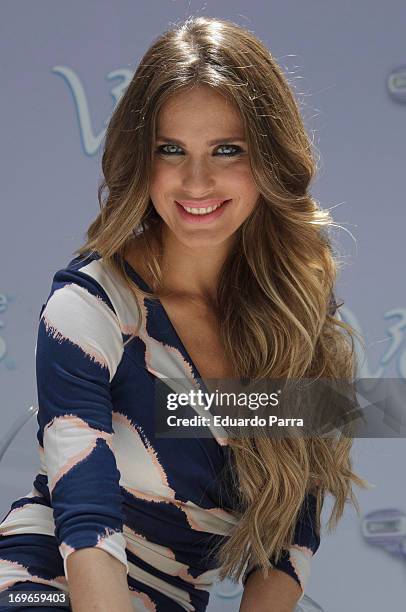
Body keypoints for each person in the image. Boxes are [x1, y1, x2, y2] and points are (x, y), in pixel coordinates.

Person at [0, 16, 369, 612]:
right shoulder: (89, 307)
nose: (197, 181)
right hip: (51, 586)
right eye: (171, 149)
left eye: (228, 150)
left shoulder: (296, 320)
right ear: (140, 160)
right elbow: (86, 520)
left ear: (271, 162)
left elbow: (291, 536)